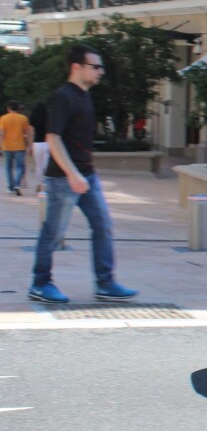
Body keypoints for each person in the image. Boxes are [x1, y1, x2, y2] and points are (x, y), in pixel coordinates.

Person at [29, 44, 138, 305]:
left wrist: (83, 174)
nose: (100, 71)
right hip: (64, 178)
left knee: (102, 225)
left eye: (101, 67)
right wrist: (73, 174)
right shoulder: (63, 96)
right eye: (95, 66)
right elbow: (53, 138)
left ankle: (105, 283)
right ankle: (40, 283)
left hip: (87, 176)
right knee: (53, 232)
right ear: (76, 67)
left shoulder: (85, 95)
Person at [1, 100, 32, 196]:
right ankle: (17, 184)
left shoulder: (3, 118)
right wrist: (29, 145)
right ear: (18, 108)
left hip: (7, 146)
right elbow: (27, 133)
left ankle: (10, 187)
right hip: (20, 146)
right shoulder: (23, 118)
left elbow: (1, 133)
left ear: (8, 108)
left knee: (8, 167)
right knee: (20, 167)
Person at [29, 102, 48, 196]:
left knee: (38, 166)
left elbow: (31, 133)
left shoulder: (33, 118)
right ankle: (45, 185)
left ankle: (40, 185)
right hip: (48, 143)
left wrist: (29, 146)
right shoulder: (49, 118)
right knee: (46, 166)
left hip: (37, 143)